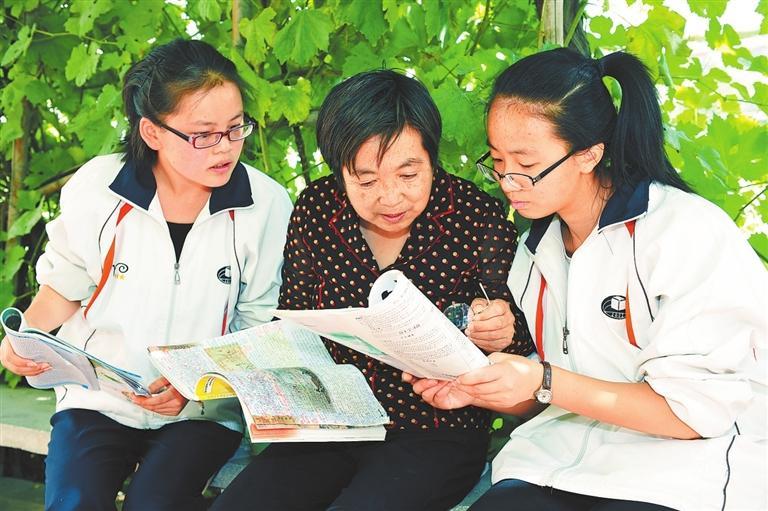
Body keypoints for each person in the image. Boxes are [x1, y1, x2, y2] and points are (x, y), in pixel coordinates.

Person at [408, 48, 768, 511]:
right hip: (556, 464)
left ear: (589, 155)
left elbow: (693, 414)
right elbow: (545, 397)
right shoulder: (534, 252)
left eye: (526, 164)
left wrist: (543, 380)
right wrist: (479, 388)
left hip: (685, 471)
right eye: (497, 160)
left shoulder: (686, 232)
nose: (508, 180)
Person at [211, 69, 534, 511]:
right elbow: (294, 317)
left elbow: (521, 339)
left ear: (432, 158)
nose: (390, 197)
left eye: (409, 174)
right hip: (332, 425)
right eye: (365, 180)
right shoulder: (318, 210)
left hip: (436, 430)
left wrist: (500, 331)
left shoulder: (476, 216)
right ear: (339, 171)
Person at [0, 39, 293, 511]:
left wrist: (198, 386)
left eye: (236, 128)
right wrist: (25, 337)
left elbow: (258, 326)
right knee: (76, 501)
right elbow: (64, 283)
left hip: (204, 411)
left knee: (155, 504)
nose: (225, 147)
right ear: (152, 132)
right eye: (203, 134)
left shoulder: (267, 205)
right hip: (99, 398)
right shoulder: (98, 187)